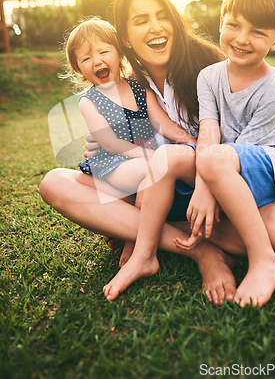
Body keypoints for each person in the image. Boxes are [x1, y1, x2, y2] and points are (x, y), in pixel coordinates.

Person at [39, 0, 275, 306]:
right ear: (125, 38)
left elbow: (255, 116)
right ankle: (198, 249)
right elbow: (116, 138)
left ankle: (138, 231)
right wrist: (103, 142)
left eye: (162, 16)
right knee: (55, 183)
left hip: (210, 187)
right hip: (152, 189)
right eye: (141, 20)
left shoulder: (210, 66)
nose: (154, 26)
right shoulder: (129, 83)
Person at [175, 0, 275, 307]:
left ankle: (264, 261)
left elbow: (241, 153)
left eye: (258, 32)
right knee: (175, 157)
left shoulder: (274, 90)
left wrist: (206, 188)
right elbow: (209, 131)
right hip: (221, 166)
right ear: (221, 21)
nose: (242, 39)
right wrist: (204, 183)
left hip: (266, 166)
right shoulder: (209, 77)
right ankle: (183, 230)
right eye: (234, 24)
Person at [64, 17, 198, 299]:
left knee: (152, 174)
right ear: (78, 68)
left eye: (103, 52)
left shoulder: (139, 87)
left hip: (145, 161)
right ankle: (137, 243)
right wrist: (152, 156)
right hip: (115, 166)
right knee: (150, 172)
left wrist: (192, 142)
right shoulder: (90, 101)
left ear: (119, 53)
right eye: (86, 58)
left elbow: (163, 124)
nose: (96, 61)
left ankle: (134, 239)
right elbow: (111, 144)